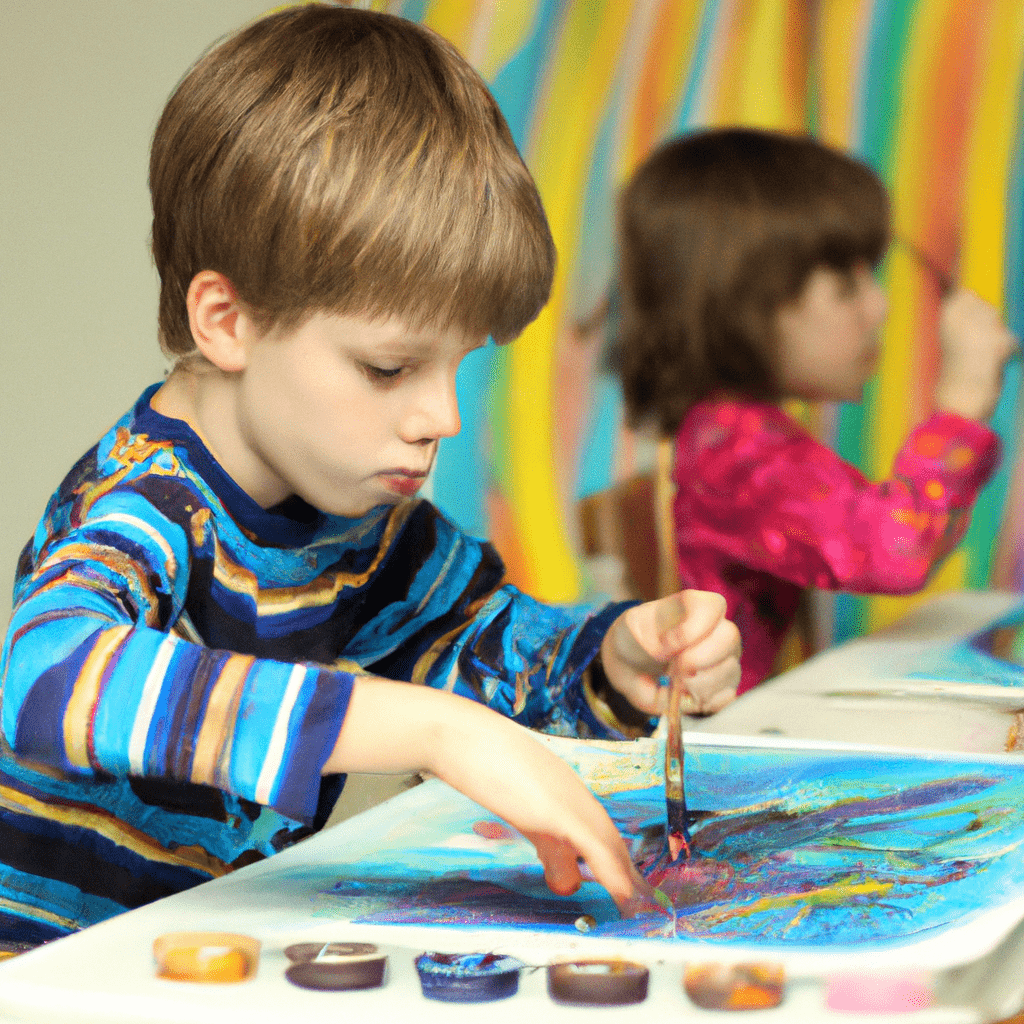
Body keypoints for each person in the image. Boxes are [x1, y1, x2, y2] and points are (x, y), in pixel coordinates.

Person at [0, 5, 742, 950]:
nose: (442, 419)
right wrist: (433, 732)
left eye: (457, 365)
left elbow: (482, 651)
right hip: (48, 975)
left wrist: (615, 660)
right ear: (226, 321)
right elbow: (51, 678)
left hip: (204, 961)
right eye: (389, 369)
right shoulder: (148, 501)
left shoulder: (359, 515)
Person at [611, 126, 1016, 697]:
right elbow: (896, 550)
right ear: (747, 303)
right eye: (847, 286)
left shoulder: (731, 431)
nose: (879, 307)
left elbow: (910, 537)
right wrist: (963, 405)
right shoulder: (737, 449)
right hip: (710, 743)